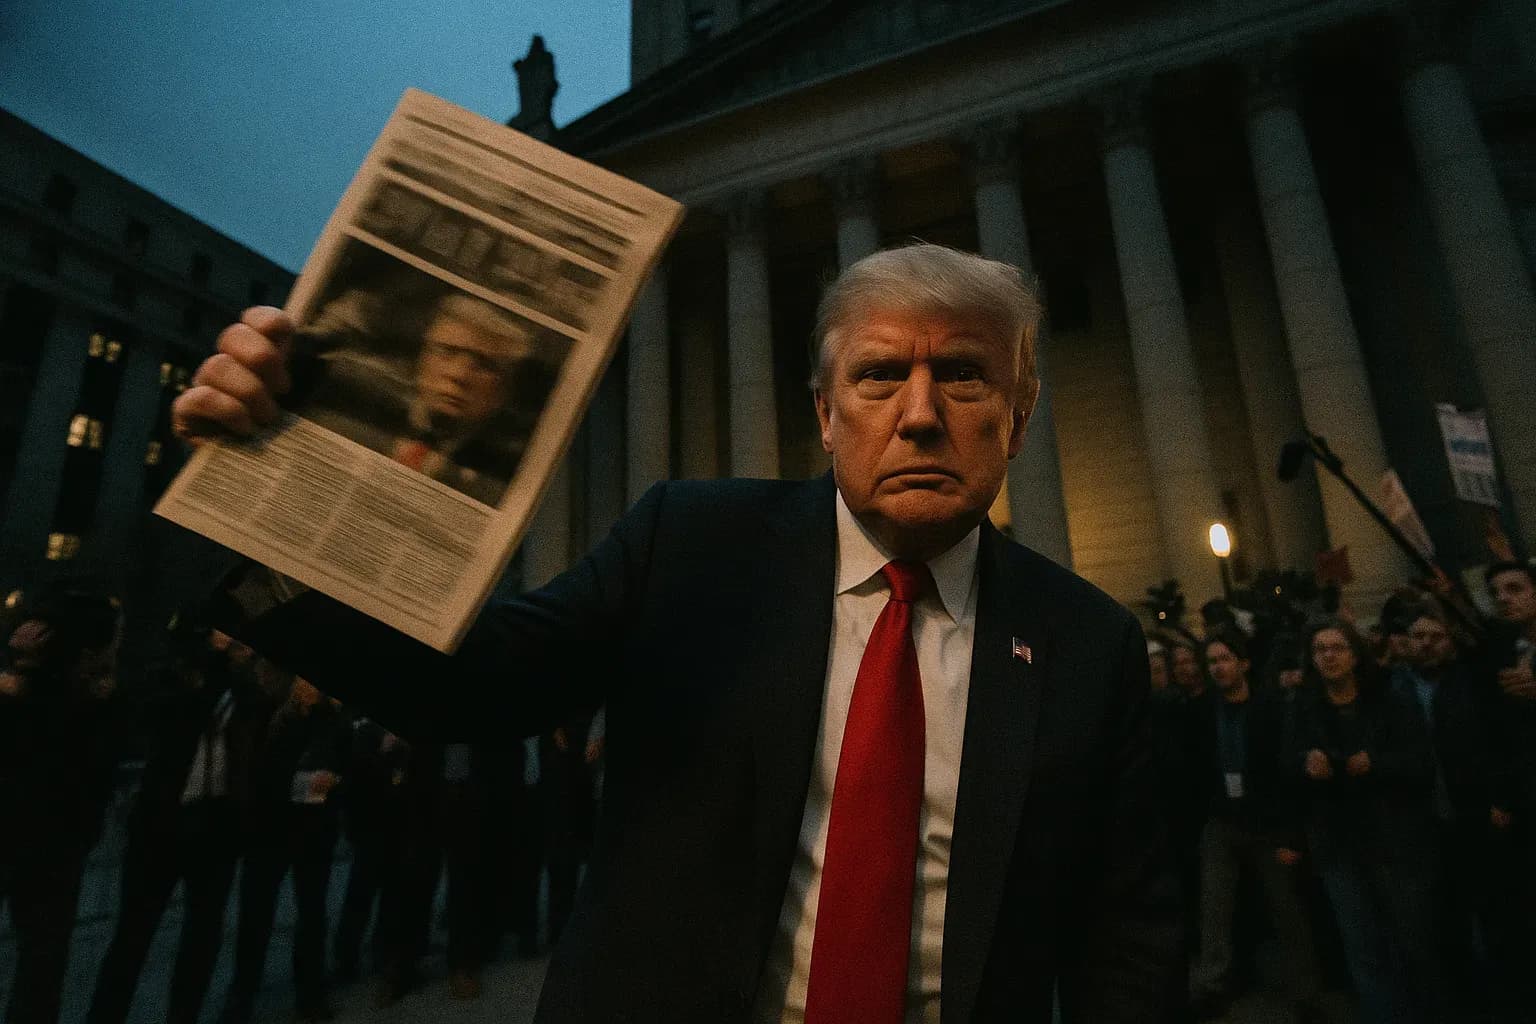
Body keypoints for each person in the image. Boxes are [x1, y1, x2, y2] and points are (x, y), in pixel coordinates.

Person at [173, 243, 1184, 1022]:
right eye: (879, 376)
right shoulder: (690, 543)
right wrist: (261, 485)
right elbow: (472, 689)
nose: (919, 414)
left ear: (1019, 416)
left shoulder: (1087, 644)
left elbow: (1126, 936)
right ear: (825, 414)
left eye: (963, 375)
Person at [86, 621, 275, 1024]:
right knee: (134, 935)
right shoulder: (172, 681)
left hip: (217, 822)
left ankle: (183, 1015)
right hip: (162, 824)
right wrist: (215, 658)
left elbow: (257, 725)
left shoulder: (243, 691)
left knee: (202, 936)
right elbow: (176, 718)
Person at [1291, 617, 1444, 1024]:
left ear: (1355, 655)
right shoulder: (1306, 708)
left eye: (1337, 648)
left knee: (1412, 942)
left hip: (1393, 840)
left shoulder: (1390, 703)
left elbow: (1420, 763)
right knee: (1363, 947)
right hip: (1340, 844)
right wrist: (1306, 762)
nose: (1329, 656)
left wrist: (1376, 763)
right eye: (1320, 650)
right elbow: (1285, 764)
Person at [296, 289, 557, 505]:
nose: (458, 375)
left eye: (486, 365)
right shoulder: (342, 399)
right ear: (423, 357)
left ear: (505, 390)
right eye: (447, 352)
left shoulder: (510, 476)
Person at [0, 587, 123, 1024]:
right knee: (43, 961)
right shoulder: (89, 704)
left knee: (42, 959)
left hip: (31, 832)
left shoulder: (25, 696)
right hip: (57, 841)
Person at [1187, 631, 1321, 1021]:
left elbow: (1286, 772)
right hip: (1223, 819)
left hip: (1267, 822)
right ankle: (1214, 983)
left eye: (1225, 659)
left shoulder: (1271, 708)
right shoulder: (1204, 710)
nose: (1218, 668)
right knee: (1215, 908)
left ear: (1243, 664)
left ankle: (1306, 992)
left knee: (1287, 909)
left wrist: (1290, 833)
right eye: (1212, 661)